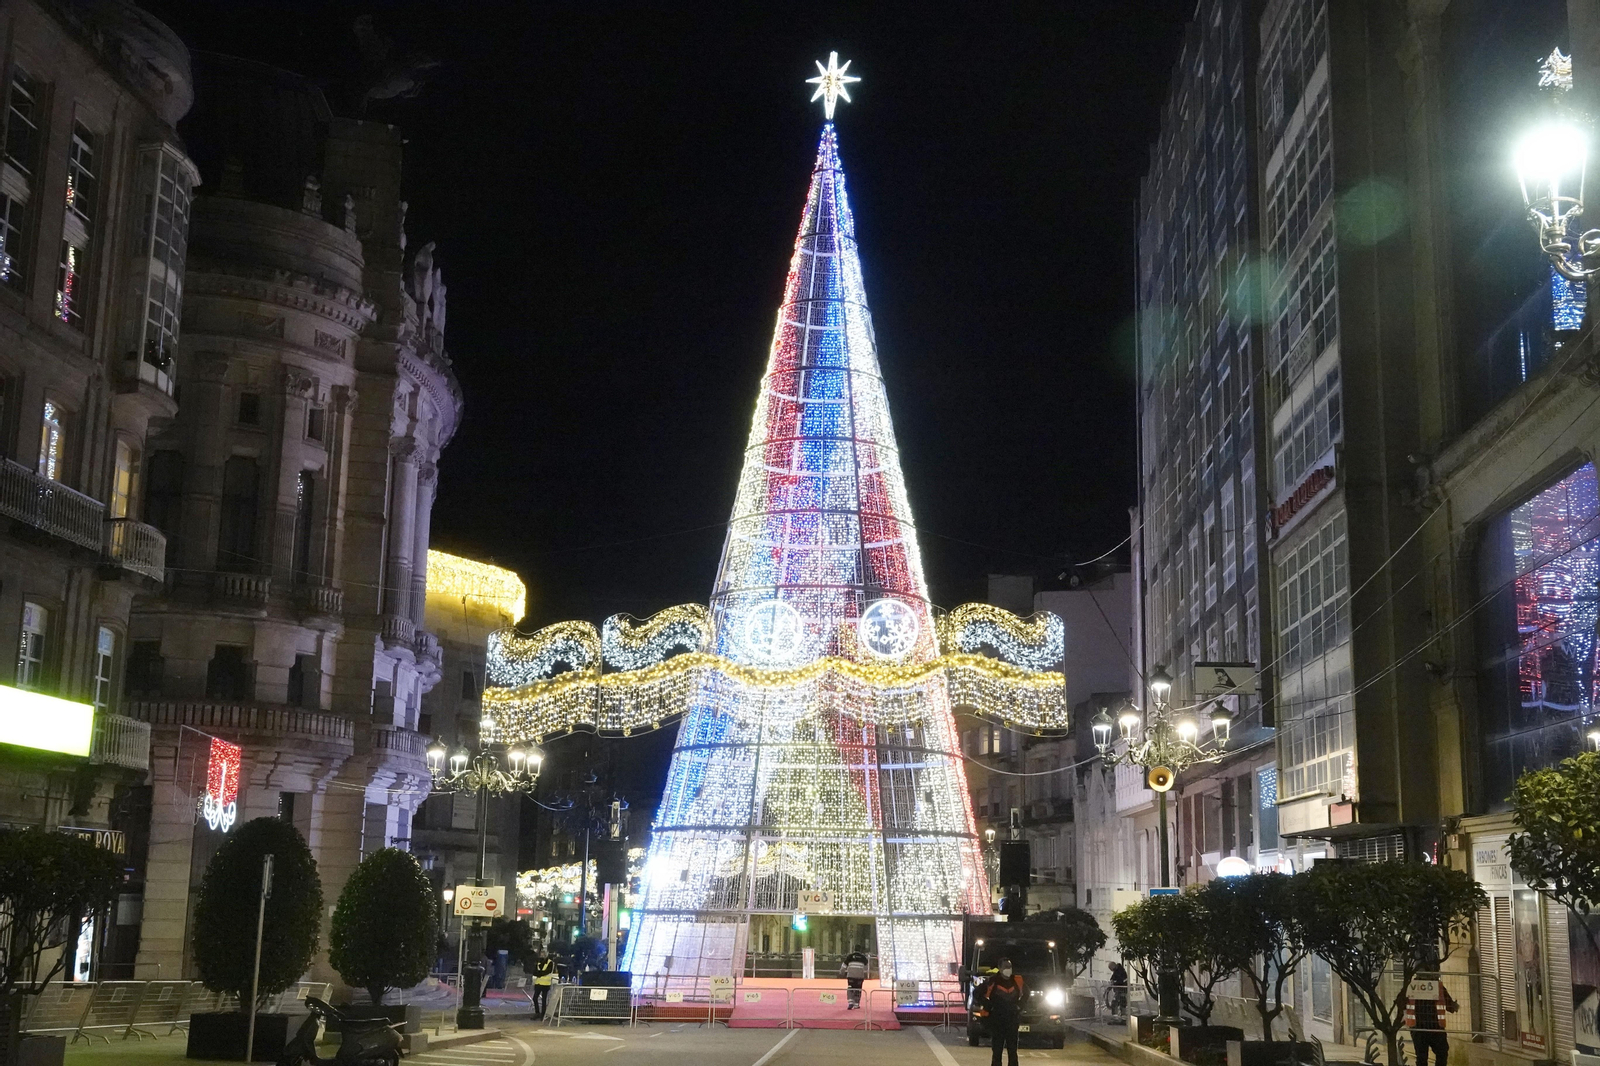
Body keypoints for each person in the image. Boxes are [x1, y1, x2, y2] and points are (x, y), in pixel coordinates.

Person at [1406, 975, 1459, 1066]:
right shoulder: (1438, 987)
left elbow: (1401, 1004)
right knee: (1441, 1053)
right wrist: (1455, 1006)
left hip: (1418, 1028)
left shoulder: (1411, 986)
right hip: (1435, 1027)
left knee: (1421, 1058)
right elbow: (1450, 1007)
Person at [982, 957, 1025, 1066]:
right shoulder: (992, 981)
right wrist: (988, 1005)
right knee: (997, 1051)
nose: (1008, 969)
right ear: (1000, 968)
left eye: (1009, 967)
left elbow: (1027, 994)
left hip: (1012, 1021)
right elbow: (977, 993)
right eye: (1006, 967)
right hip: (997, 1021)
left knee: (1013, 1051)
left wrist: (1019, 1006)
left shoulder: (1016, 980)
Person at [531, 950, 556, 1020]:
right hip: (538, 983)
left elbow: (547, 971)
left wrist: (539, 973)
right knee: (535, 998)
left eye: (543, 955)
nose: (542, 956)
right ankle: (537, 1013)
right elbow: (534, 971)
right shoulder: (538, 962)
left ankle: (543, 1014)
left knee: (544, 1000)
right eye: (541, 955)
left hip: (545, 984)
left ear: (546, 955)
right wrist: (539, 973)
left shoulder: (550, 962)